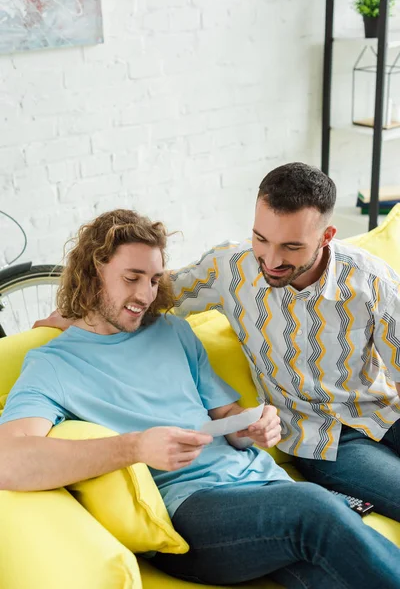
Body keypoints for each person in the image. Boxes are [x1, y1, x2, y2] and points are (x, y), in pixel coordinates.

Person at [2, 209, 400, 589]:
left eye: (155, 279)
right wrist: (136, 446)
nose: (145, 294)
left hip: (261, 483)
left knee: (330, 572)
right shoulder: (53, 364)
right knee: (316, 509)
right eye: (132, 277)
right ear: (93, 272)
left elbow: (225, 417)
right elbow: (9, 460)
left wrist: (250, 425)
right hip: (191, 512)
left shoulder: (172, 331)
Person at [39, 163, 400, 523]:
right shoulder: (231, 268)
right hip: (321, 438)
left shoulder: (371, 282)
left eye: (291, 247)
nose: (271, 261)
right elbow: (151, 294)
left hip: (384, 411)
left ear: (327, 235)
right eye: (261, 239)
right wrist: (76, 314)